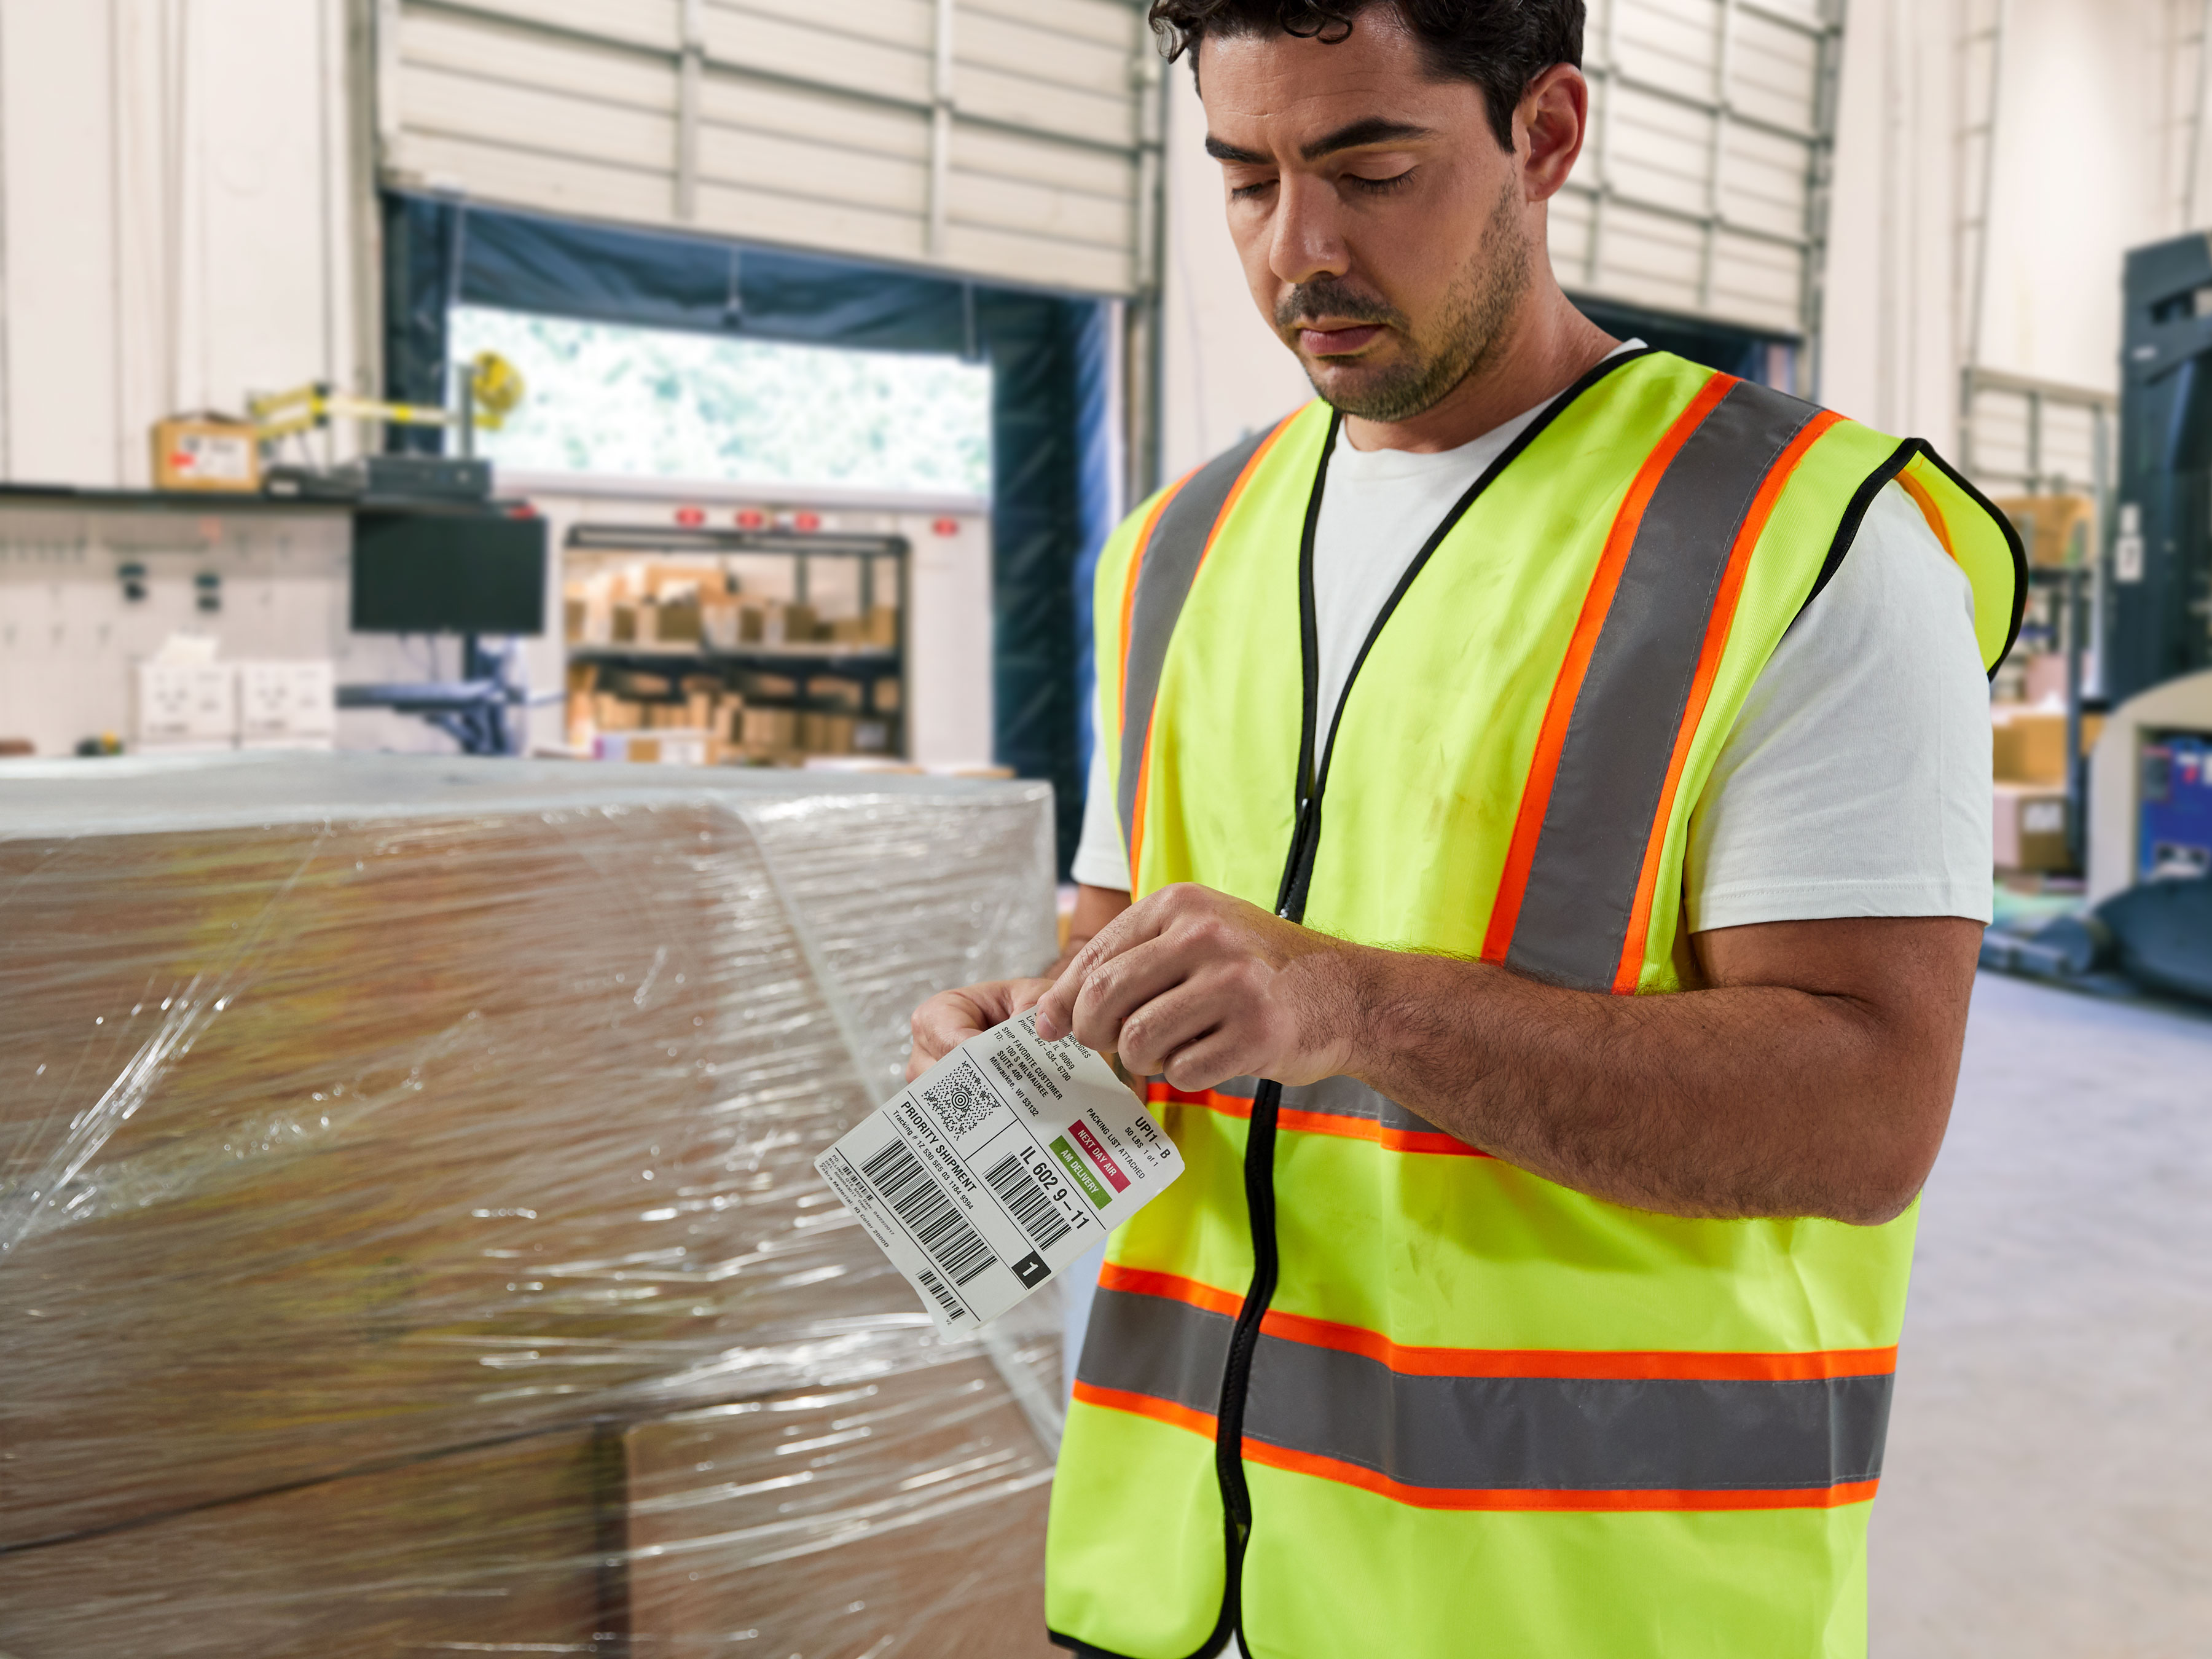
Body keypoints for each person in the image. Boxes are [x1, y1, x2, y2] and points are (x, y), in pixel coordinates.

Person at [907, 2, 2023, 1653]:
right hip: (1172, 1583)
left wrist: (1350, 1005)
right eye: (1245, 178)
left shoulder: (1811, 543)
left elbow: (1868, 1118)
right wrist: (1043, 1026)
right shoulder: (1174, 546)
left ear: (1546, 133)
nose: (1301, 249)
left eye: (1370, 167)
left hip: (1584, 1601)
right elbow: (1127, 950)